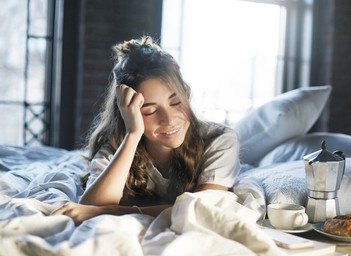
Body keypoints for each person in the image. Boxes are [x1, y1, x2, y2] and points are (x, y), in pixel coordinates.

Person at [52, 36, 240, 225]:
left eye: (175, 103)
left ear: (186, 94)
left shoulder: (220, 139)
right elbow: (90, 206)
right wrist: (132, 134)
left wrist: (114, 211)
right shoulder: (119, 145)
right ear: (128, 112)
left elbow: (201, 209)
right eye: (150, 110)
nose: (168, 119)